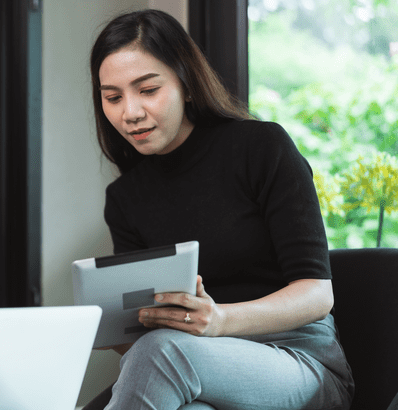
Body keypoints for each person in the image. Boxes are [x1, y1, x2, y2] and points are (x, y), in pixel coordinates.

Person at [88, 9, 354, 410]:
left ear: (187, 84)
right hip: (196, 363)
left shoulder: (261, 147)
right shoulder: (126, 198)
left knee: (163, 352)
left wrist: (221, 321)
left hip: (300, 361)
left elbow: (317, 294)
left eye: (147, 90)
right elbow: (142, 340)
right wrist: (108, 331)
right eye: (113, 97)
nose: (130, 112)